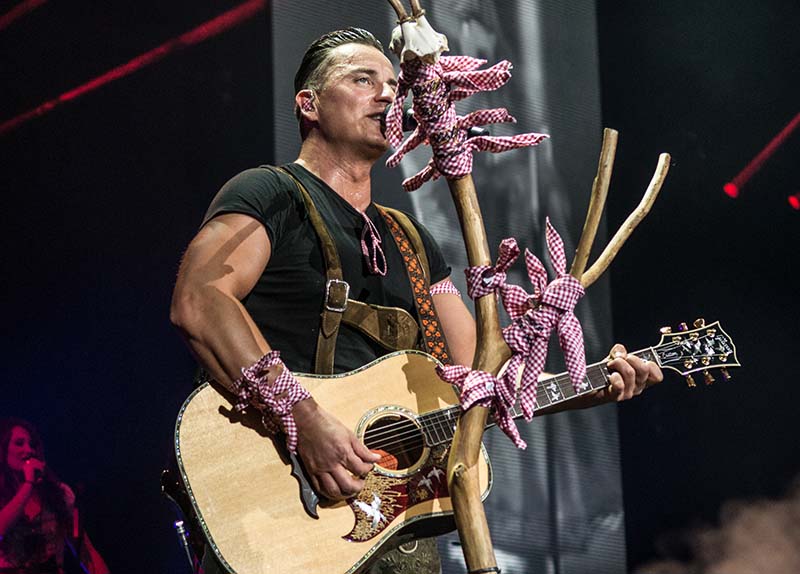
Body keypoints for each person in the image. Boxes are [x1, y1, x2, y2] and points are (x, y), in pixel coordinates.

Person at [170, 27, 662, 574]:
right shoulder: (268, 193)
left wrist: (589, 385)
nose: (388, 95)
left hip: (398, 534)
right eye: (363, 80)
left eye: (393, 85)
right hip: (286, 515)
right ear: (308, 104)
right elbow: (200, 300)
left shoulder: (410, 238)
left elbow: (482, 379)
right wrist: (304, 420)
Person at [0, 418, 109, 574]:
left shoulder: (57, 494)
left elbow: (86, 552)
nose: (29, 450)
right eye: (19, 443)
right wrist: (28, 484)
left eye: (32, 445)